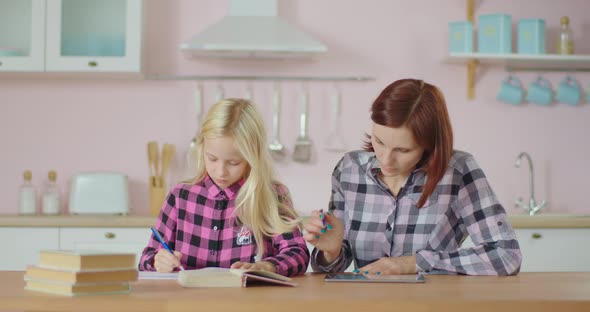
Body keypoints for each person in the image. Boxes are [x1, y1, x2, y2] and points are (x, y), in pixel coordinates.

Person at [304, 79, 522, 276]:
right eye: (379, 142)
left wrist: (413, 263)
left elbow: (506, 256)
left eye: (403, 150)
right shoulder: (350, 169)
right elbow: (332, 269)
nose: (386, 160)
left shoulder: (458, 172)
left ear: (429, 145)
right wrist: (331, 251)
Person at [139, 98, 309, 276]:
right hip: (188, 303)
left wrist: (269, 266)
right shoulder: (180, 196)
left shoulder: (272, 195)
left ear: (253, 157)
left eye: (233, 162)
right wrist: (157, 261)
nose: (221, 172)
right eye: (212, 158)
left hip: (250, 303)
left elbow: (298, 253)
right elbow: (146, 258)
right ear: (202, 147)